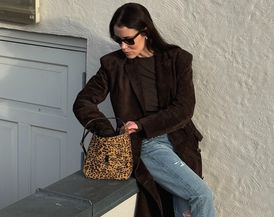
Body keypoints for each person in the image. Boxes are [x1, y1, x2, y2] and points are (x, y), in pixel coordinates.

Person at [73, 2, 215, 217]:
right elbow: (83, 102)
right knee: (201, 195)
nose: (123, 46)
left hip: (181, 141)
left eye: (129, 40)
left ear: (145, 32)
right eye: (118, 40)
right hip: (147, 144)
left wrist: (141, 123)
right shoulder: (113, 65)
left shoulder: (177, 59)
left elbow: (185, 107)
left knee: (185, 209)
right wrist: (110, 135)